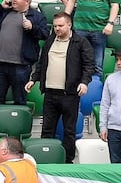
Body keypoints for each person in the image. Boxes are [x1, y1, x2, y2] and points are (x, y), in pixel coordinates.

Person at [26, 12, 95, 163]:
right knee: (47, 129)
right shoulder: (50, 40)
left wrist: (84, 82)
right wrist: (34, 79)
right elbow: (41, 63)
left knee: (69, 131)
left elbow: (89, 65)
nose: (57, 28)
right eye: (55, 26)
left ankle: (68, 161)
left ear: (69, 25)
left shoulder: (80, 42)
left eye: (60, 26)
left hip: (70, 94)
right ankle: (46, 159)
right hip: (50, 93)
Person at [0, 0, 50, 136]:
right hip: (0, 64)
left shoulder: (36, 16)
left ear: (27, 2)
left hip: (21, 66)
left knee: (20, 99)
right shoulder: (5, 12)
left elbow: (45, 34)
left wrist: (32, 27)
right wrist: (1, 6)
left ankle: (19, 130)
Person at [65, 0, 118, 76]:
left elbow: (115, 5)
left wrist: (110, 23)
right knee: (76, 62)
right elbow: (72, 1)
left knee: (97, 65)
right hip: (79, 27)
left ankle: (95, 91)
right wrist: (66, 18)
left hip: (99, 29)